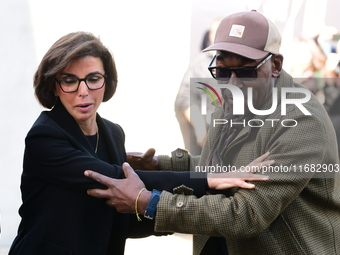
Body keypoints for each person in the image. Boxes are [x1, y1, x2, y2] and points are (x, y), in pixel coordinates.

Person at [85, 10, 340, 255]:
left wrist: (148, 203)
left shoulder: (301, 121)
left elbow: (246, 215)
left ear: (275, 65)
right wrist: (160, 164)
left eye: (246, 71)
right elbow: (224, 167)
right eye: (222, 71)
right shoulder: (235, 97)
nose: (232, 83)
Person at [9, 31, 271, 255]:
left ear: (106, 81)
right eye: (69, 81)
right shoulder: (45, 135)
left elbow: (121, 211)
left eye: (93, 79)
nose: (83, 91)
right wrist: (207, 179)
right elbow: (113, 179)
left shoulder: (112, 133)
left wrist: (184, 216)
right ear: (54, 86)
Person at [174, 18, 221, 155]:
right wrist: (200, 129)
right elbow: (185, 99)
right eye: (215, 32)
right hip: (206, 142)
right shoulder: (200, 63)